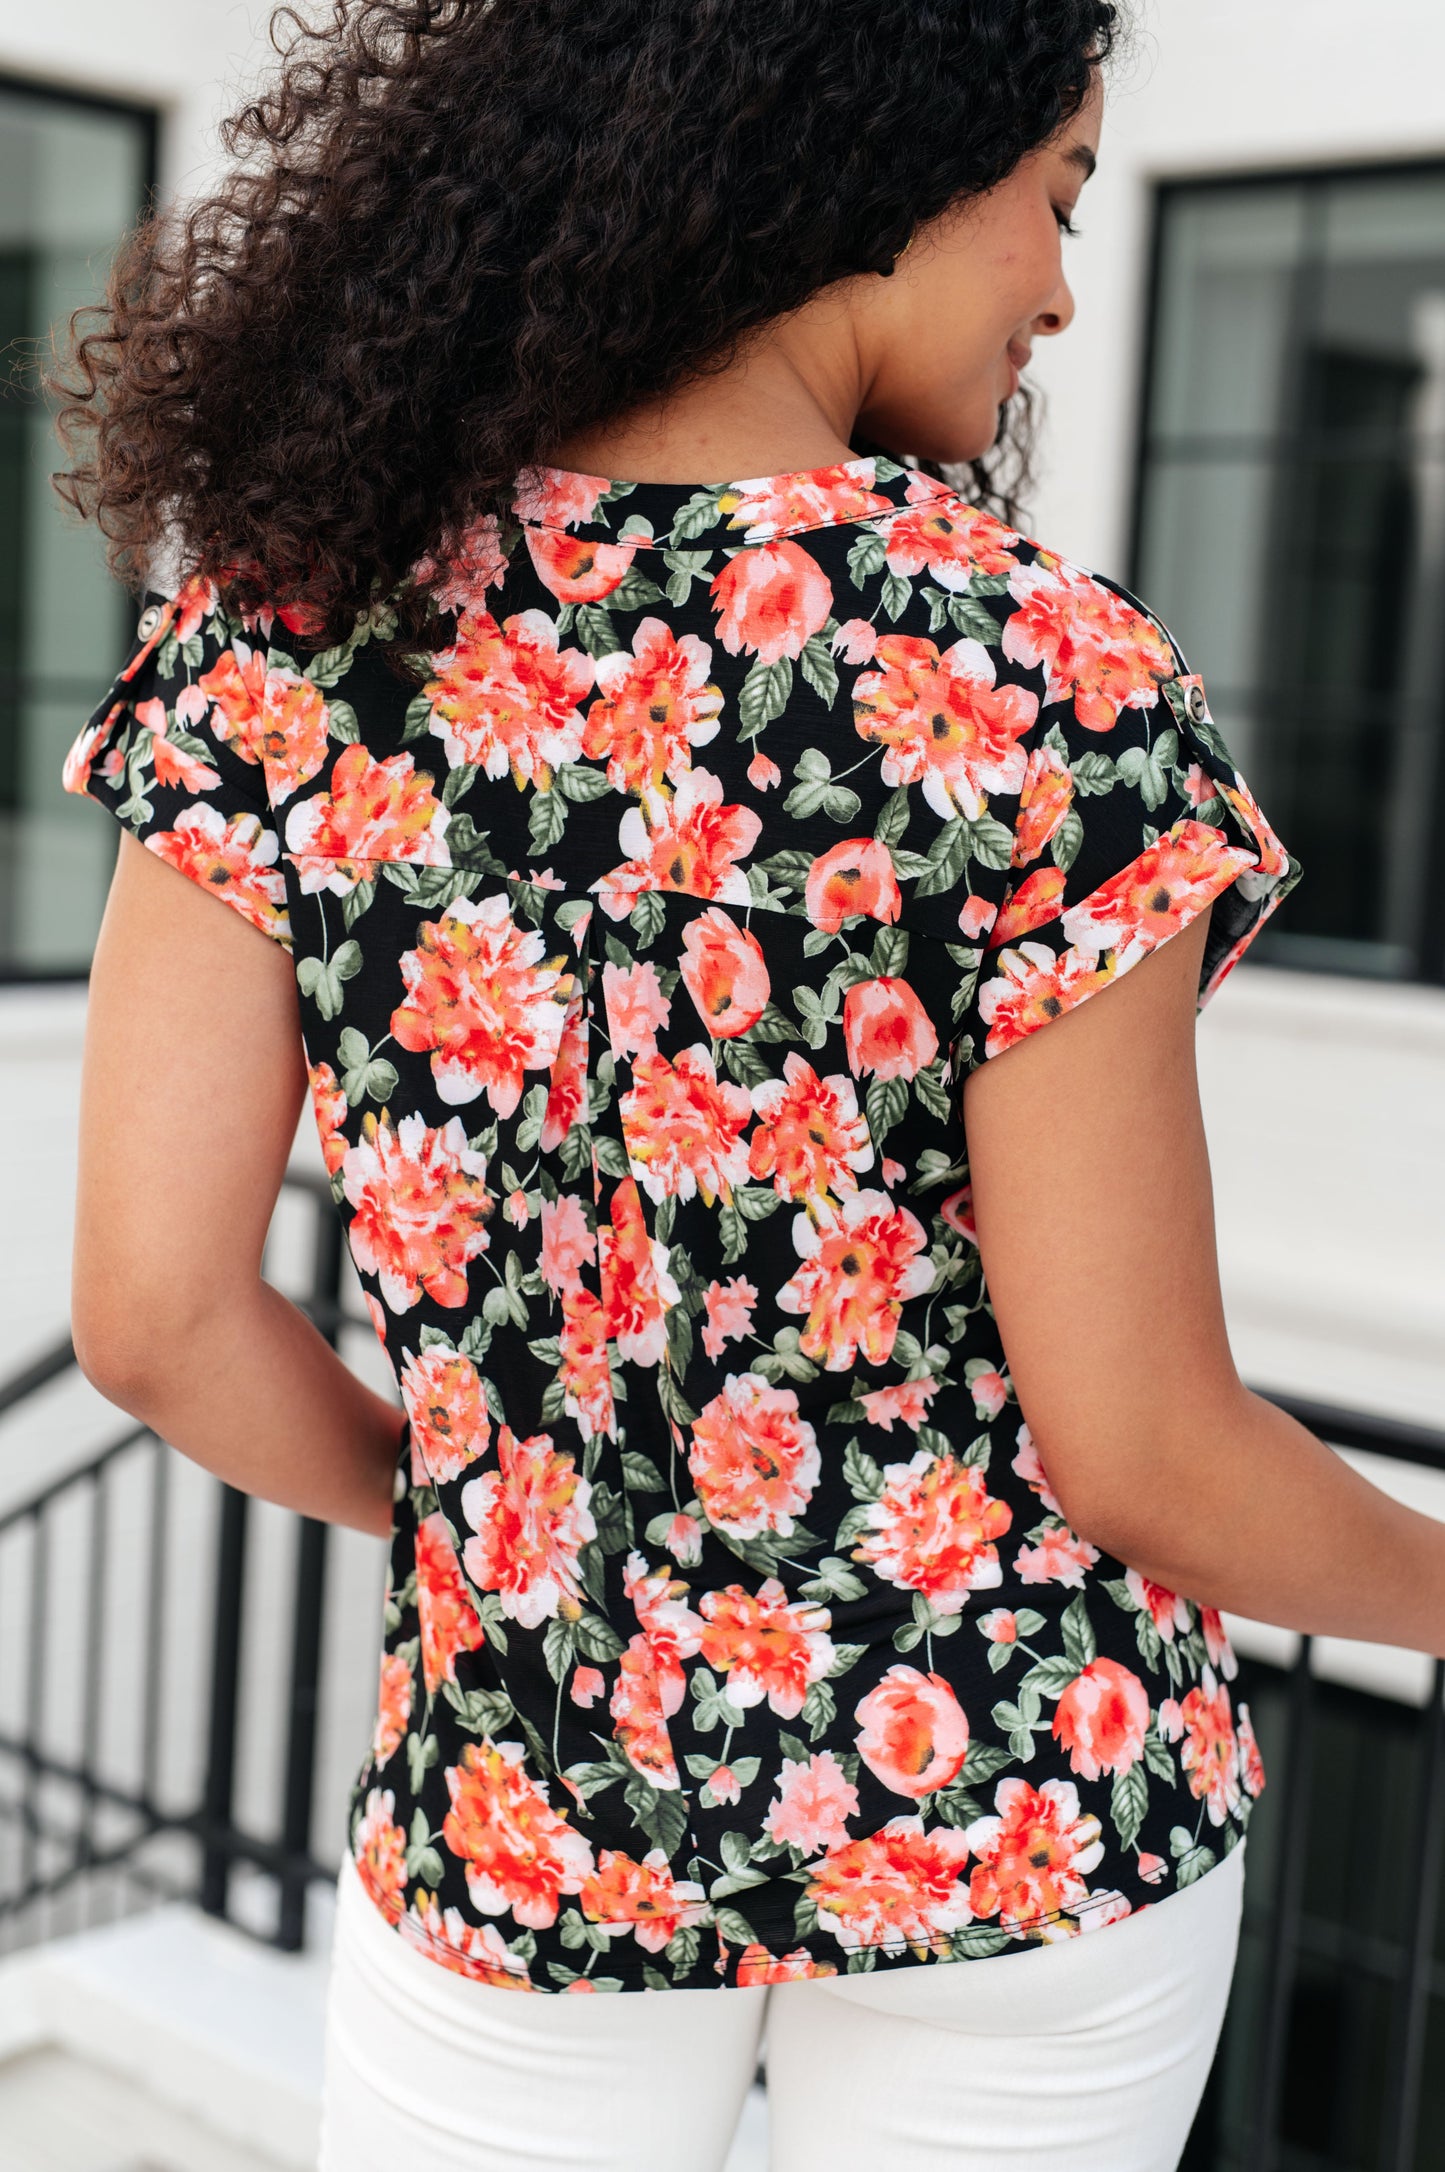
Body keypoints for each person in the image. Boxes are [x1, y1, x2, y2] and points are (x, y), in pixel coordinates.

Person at [53, 3, 1445, 2168]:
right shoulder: (1031, 681)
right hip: (1024, 1830)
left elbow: (152, 1320)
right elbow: (1151, 1448)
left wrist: (501, 1546)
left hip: (532, 1817)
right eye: (1055, 202)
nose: (1067, 288)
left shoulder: (282, 640)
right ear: (880, 158)